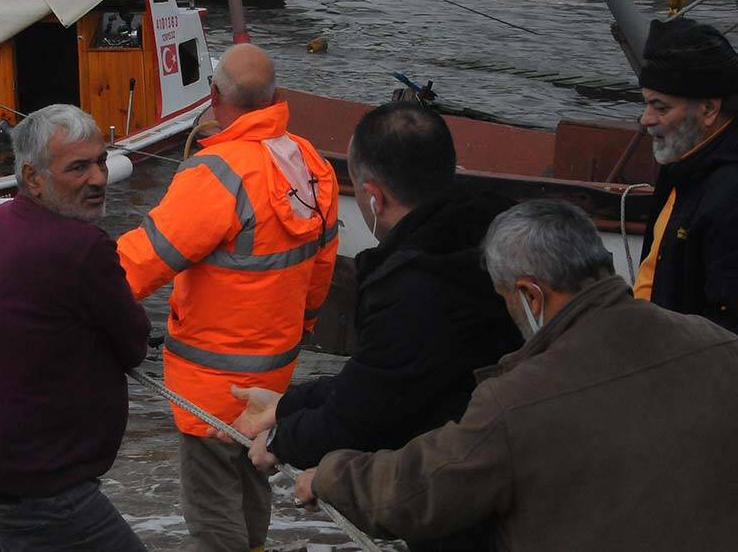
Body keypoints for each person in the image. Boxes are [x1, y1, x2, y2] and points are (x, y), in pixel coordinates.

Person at [295, 199, 738, 551]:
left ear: (529, 293)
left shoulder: (519, 398)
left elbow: (418, 490)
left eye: (504, 297)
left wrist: (330, 475)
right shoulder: (719, 344)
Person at [229, 101, 521, 551]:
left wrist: (282, 441)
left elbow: (361, 415)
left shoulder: (413, 285)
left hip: (466, 503)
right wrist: (286, 407)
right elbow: (382, 376)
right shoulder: (495, 236)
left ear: (372, 196)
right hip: (518, 467)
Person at [117, 43, 340, 552]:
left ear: (214, 96)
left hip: (210, 383)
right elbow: (320, 272)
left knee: (213, 509)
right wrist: (297, 334)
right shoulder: (311, 164)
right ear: (276, 97)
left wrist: (68, 283)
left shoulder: (216, 172)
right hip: (273, 375)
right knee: (252, 477)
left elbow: (145, 260)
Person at [0, 104, 151, 552]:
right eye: (78, 167)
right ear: (34, 177)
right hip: (40, 484)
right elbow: (134, 344)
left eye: (101, 161)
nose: (99, 179)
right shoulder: (83, 248)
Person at [635, 17, 738, 332]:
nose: (645, 120)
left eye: (661, 107)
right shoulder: (685, 164)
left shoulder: (729, 195)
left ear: (708, 109)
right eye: (646, 104)